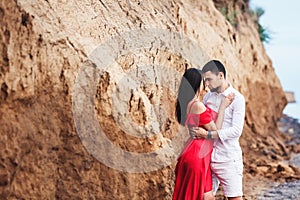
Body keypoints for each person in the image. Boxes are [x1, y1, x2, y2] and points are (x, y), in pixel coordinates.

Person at [172, 68, 234, 200]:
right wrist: (223, 107)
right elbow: (216, 129)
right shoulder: (198, 105)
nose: (205, 84)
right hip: (197, 155)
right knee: (197, 196)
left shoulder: (186, 103)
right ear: (196, 83)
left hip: (195, 151)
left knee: (208, 196)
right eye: (203, 81)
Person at [191, 60, 246, 200]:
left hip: (228, 158)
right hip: (208, 157)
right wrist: (193, 129)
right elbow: (201, 119)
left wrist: (208, 134)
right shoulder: (208, 97)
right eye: (205, 80)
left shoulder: (237, 98)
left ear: (220, 76)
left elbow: (236, 131)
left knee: (234, 198)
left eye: (209, 80)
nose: (207, 84)